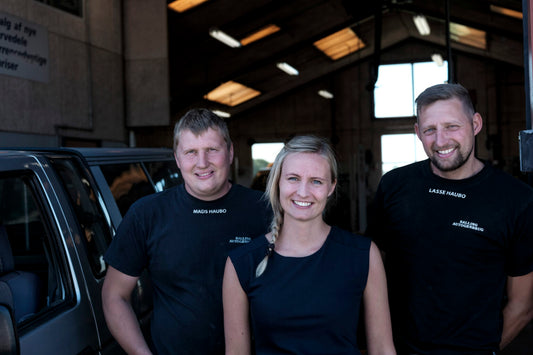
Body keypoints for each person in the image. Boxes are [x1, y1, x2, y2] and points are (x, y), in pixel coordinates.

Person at [366, 83, 533, 354]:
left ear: (475, 123)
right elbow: (370, 274)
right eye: (430, 129)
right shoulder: (395, 185)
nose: (441, 140)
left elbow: (522, 306)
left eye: (452, 126)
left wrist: (485, 350)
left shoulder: (516, 199)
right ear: (418, 132)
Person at [102, 108, 271, 355]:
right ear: (177, 159)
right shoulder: (147, 214)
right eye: (191, 152)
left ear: (230, 152)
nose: (202, 163)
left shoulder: (264, 210)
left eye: (212, 150)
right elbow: (114, 296)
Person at [223, 135, 396, 355]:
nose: (303, 192)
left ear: (331, 187)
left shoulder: (362, 255)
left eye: (316, 181)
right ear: (278, 182)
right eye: (293, 178)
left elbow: (382, 348)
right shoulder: (243, 262)